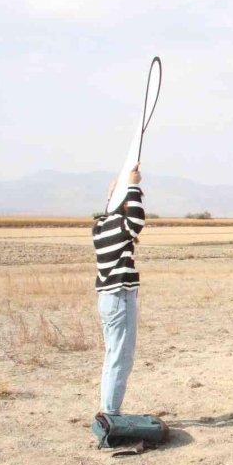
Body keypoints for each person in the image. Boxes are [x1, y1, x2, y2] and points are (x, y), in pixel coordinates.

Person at [92, 164, 145, 415]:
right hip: (120, 297)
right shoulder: (122, 226)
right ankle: (111, 413)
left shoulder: (101, 225)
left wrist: (111, 195)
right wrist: (133, 185)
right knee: (121, 358)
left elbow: (113, 214)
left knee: (113, 355)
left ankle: (108, 408)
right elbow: (136, 220)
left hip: (107, 299)